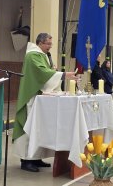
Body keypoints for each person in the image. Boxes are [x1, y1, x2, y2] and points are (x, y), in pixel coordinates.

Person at [12, 33, 78, 172]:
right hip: (31, 96)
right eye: (48, 43)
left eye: (50, 44)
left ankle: (36, 158)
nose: (50, 46)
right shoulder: (33, 55)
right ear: (40, 43)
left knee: (39, 128)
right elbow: (41, 73)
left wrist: (53, 72)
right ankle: (26, 160)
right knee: (30, 127)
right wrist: (64, 75)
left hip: (40, 98)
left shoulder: (43, 55)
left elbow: (47, 72)